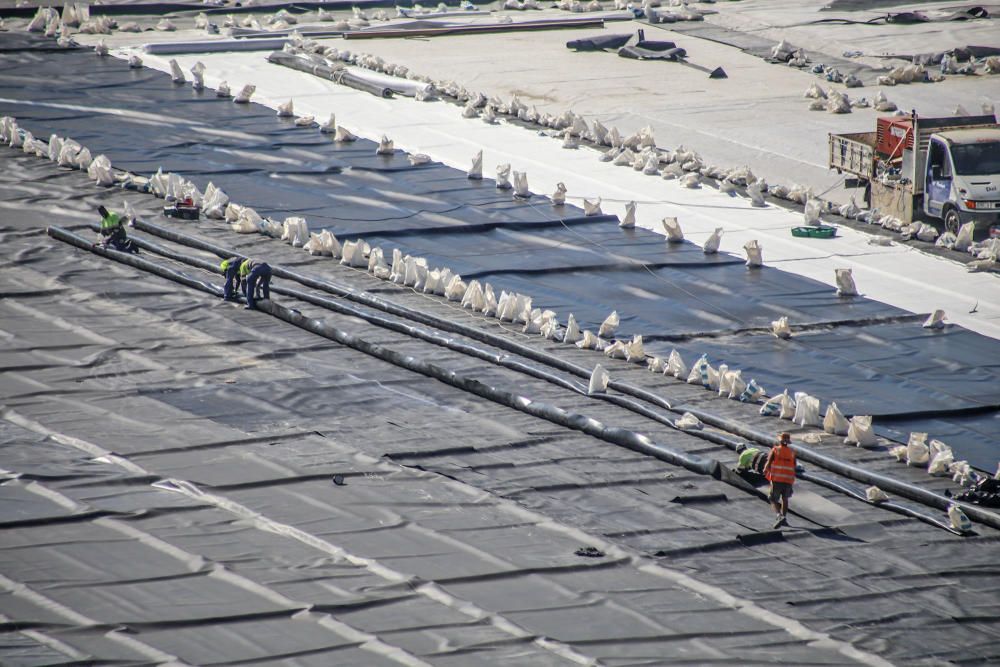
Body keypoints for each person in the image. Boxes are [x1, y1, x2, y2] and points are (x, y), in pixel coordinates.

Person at [763, 432, 796, 529]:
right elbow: (794, 465)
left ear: (780, 441)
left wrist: (765, 470)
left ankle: (779, 516)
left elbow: (768, 463)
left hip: (777, 479)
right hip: (788, 479)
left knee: (772, 499)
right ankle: (784, 518)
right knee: (785, 499)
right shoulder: (792, 452)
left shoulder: (775, 450)